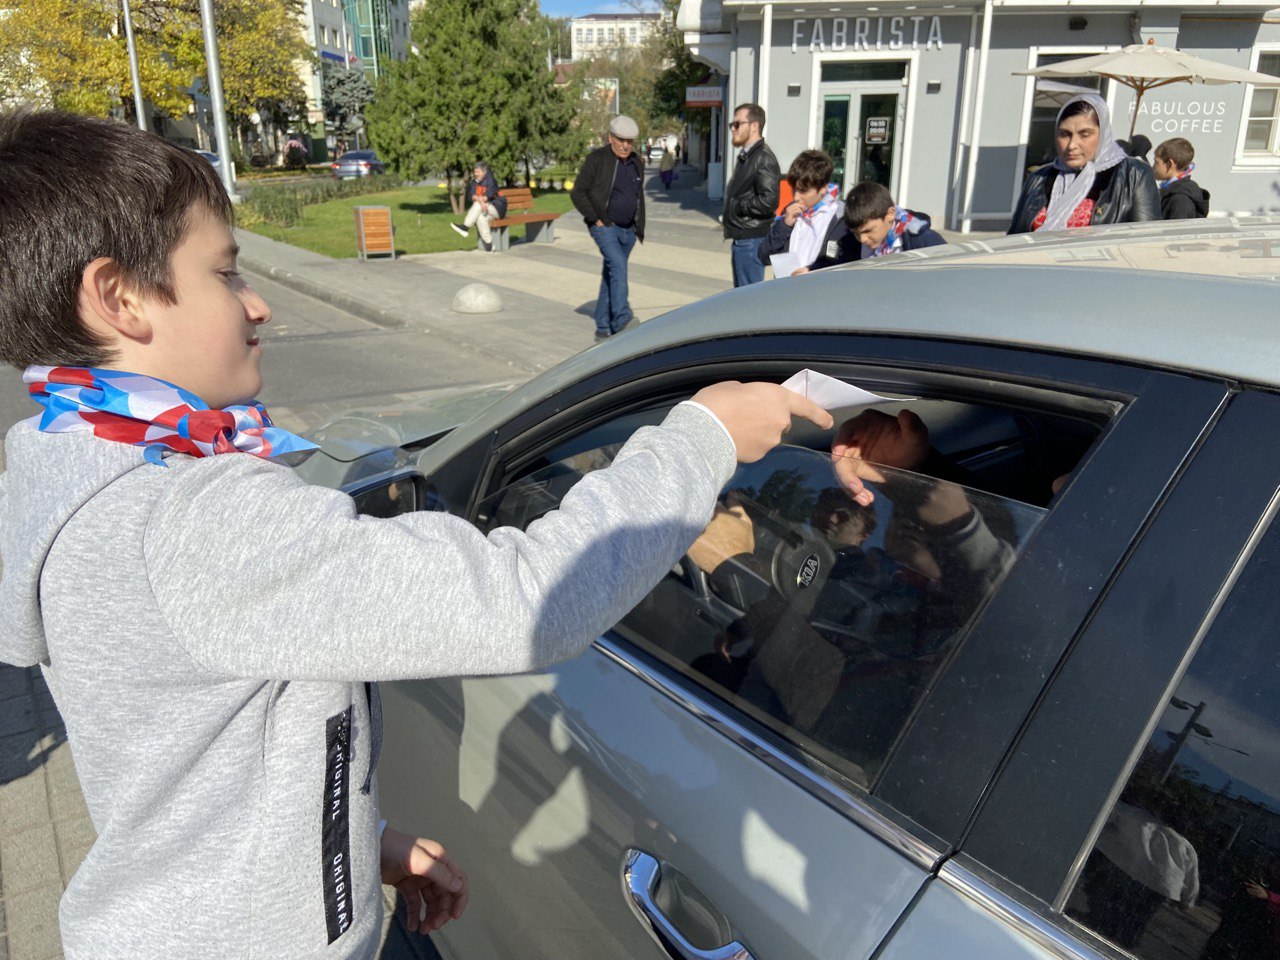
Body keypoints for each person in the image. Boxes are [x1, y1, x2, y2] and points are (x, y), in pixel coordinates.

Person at [0, 109, 833, 960]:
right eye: (224, 273)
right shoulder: (187, 517)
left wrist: (365, 845)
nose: (258, 305)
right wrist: (702, 438)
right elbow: (523, 600)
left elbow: (193, 759)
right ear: (119, 297)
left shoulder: (80, 473)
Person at [1009, 94, 1160, 234]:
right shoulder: (1039, 178)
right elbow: (1015, 237)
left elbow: (1144, 239)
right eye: (1064, 134)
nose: (1072, 145)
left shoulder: (1133, 174)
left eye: (1084, 134)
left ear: (1103, 135)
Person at [570, 114, 646, 342]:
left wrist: (636, 226)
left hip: (628, 230)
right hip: (606, 228)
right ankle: (622, 319)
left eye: (630, 141)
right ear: (610, 138)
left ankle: (603, 327)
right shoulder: (597, 159)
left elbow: (637, 195)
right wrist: (596, 219)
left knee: (610, 273)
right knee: (618, 267)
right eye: (621, 140)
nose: (625, 145)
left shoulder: (637, 162)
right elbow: (578, 193)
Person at [757, 150, 852, 276]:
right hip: (787, 290)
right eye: (794, 190)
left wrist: (812, 270)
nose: (796, 197)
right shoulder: (791, 211)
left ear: (823, 188)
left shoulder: (842, 217)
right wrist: (784, 226)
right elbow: (764, 256)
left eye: (803, 191)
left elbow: (845, 263)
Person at [722, 103, 781, 287]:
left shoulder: (763, 157)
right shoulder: (748, 156)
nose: (733, 129)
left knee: (747, 298)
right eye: (732, 124)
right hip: (744, 238)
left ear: (754, 125)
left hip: (751, 240)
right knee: (742, 296)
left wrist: (739, 206)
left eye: (738, 124)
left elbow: (769, 200)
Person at [845, 181, 947, 262]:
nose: (862, 239)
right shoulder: (852, 242)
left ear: (890, 214)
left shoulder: (925, 242)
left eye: (868, 231)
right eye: (856, 233)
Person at [449, 161, 508, 251]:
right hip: (486, 208)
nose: (475, 174)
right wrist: (481, 202)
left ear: (484, 172)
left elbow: (487, 196)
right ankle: (489, 245)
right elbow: (472, 196)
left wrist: (480, 201)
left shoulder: (491, 180)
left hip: (497, 209)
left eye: (478, 172)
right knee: (481, 218)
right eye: (475, 172)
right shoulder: (475, 181)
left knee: (477, 205)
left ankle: (466, 227)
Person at [1153, 137, 1210, 220]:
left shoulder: (1180, 199)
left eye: (1156, 162)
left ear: (1169, 164)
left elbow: (1176, 231)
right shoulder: (1174, 191)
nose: (1153, 167)